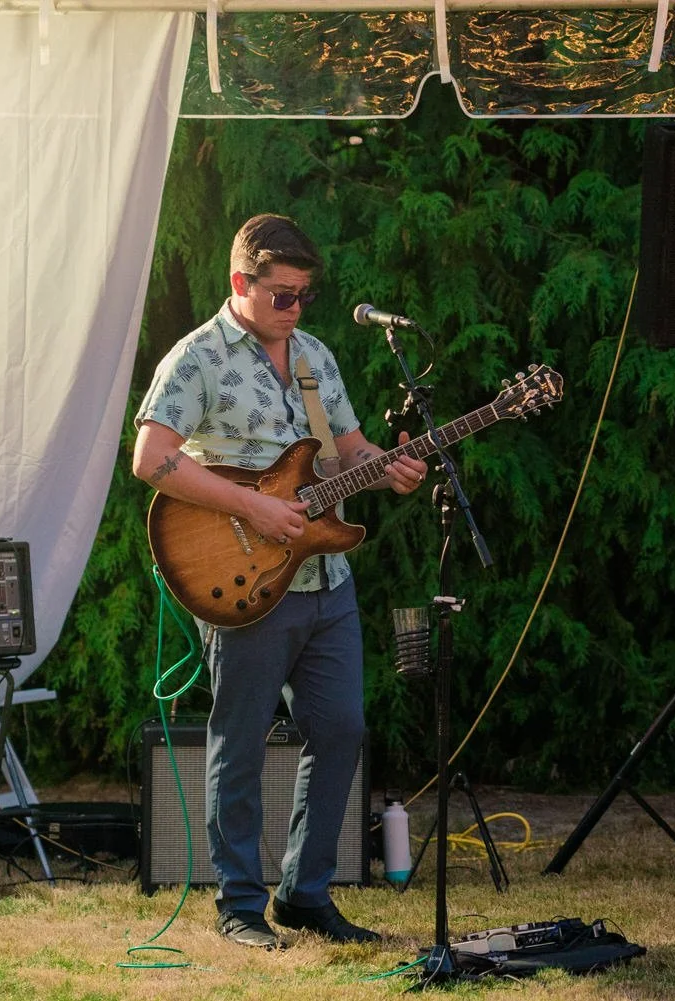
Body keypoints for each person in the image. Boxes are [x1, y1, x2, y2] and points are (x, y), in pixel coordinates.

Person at [132, 214, 427, 949]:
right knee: (239, 740)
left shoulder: (316, 356)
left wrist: (389, 466)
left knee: (341, 729)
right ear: (242, 283)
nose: (295, 308)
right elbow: (150, 456)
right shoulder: (195, 358)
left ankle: (304, 893)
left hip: (326, 577)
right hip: (243, 578)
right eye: (282, 295)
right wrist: (252, 503)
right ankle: (238, 902)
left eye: (304, 296)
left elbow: (345, 451)